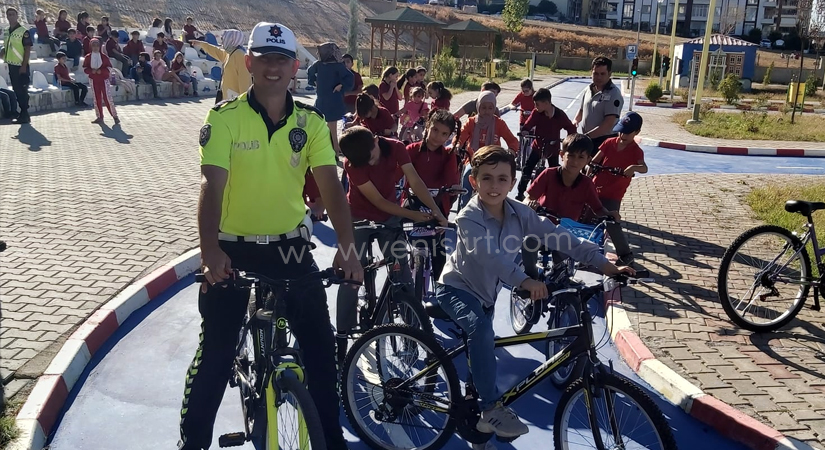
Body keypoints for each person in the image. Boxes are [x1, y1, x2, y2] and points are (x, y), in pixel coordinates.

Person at [177, 21, 362, 450]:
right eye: (264, 58)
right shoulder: (224, 118)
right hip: (233, 250)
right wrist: (210, 253)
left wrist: (349, 251)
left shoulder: (310, 121)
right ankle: (193, 444)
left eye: (282, 59)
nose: (273, 68)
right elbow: (212, 186)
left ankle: (330, 442)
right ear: (249, 63)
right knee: (216, 355)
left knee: (320, 351)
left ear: (295, 66)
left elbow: (332, 188)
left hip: (291, 248)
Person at [436, 145, 633, 441]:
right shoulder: (468, 217)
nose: (494, 186)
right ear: (474, 181)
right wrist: (525, 281)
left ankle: (477, 425)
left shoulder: (519, 213)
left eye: (502, 179)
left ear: (513, 183)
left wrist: (605, 264)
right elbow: (489, 257)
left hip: (486, 294)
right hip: (456, 288)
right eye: (486, 178)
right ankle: (491, 409)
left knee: (482, 351)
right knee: (479, 331)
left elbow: (558, 236)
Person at [337, 125, 447, 361]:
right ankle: (342, 338)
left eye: (373, 157)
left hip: (390, 216)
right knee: (351, 277)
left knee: (402, 275)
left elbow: (415, 182)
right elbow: (377, 201)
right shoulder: (352, 163)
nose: (372, 163)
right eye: (366, 162)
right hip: (358, 217)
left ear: (376, 141)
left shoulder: (396, 147)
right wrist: (415, 216)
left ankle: (413, 333)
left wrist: (436, 211)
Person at [405, 109, 462, 279]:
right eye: (435, 130)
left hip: (437, 204)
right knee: (400, 232)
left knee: (438, 248)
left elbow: (451, 178)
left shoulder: (448, 155)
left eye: (444, 134)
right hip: (412, 201)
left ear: (449, 136)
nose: (438, 136)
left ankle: (440, 285)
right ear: (428, 126)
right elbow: (395, 173)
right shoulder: (411, 150)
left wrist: (454, 186)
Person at [589, 111, 648, 266]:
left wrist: (633, 167)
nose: (623, 135)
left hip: (614, 193)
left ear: (637, 132)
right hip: (596, 187)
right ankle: (585, 248)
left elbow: (644, 168)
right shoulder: (609, 143)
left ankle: (625, 254)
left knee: (611, 222)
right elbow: (595, 160)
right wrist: (591, 168)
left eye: (628, 133)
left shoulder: (636, 151)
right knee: (585, 217)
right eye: (621, 130)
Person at [523, 133, 618, 222]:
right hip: (541, 226)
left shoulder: (587, 184)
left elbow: (598, 209)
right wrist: (530, 204)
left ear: (588, 160)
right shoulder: (548, 174)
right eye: (571, 156)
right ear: (562, 155)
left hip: (568, 233)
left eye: (581, 157)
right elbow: (528, 198)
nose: (575, 161)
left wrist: (609, 214)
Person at [456, 91, 519, 207]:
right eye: (483, 107)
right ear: (478, 107)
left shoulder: (499, 123)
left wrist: (512, 151)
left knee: (497, 184)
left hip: (493, 161)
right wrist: (457, 146)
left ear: (494, 108)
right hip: (473, 160)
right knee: (467, 178)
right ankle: (463, 210)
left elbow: (513, 141)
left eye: (490, 108)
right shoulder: (471, 122)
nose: (487, 111)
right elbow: (460, 137)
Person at [515, 87, 576, 201]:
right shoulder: (536, 113)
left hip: (553, 148)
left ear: (547, 103)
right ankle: (520, 193)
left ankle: (556, 194)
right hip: (538, 146)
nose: (535, 107)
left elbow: (571, 128)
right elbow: (528, 124)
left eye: (537, 104)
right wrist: (525, 130)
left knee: (555, 172)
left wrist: (569, 140)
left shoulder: (559, 115)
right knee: (527, 169)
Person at [307, 42, 353, 155]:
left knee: (332, 125)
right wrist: (314, 82)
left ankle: (335, 149)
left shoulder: (338, 65)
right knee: (323, 125)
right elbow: (310, 71)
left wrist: (341, 85)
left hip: (333, 98)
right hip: (322, 98)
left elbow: (349, 77)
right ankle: (331, 148)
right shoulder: (318, 64)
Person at [573, 56, 623, 149]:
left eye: (602, 74)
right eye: (595, 73)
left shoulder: (614, 94)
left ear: (609, 74)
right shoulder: (588, 89)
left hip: (604, 142)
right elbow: (582, 110)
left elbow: (609, 123)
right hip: (588, 140)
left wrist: (587, 137)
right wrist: (575, 121)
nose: (598, 77)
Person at [192, 29, 250, 100]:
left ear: (231, 39)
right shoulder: (230, 53)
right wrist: (201, 44)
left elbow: (245, 81)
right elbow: (216, 51)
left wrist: (244, 102)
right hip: (229, 100)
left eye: (224, 38)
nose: (222, 41)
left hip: (236, 103)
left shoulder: (240, 55)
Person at [4, 7, 32, 124]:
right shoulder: (6, 30)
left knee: (22, 90)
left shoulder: (23, 31)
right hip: (11, 65)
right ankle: (23, 113)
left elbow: (27, 49)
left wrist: (24, 66)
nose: (11, 17)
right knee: (16, 89)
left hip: (21, 66)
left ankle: (25, 114)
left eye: (13, 14)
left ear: (17, 16)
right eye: (9, 15)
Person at [83, 38, 119, 124]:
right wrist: (91, 71)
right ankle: (99, 116)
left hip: (103, 79)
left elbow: (109, 67)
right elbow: (85, 68)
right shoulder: (88, 57)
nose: (95, 48)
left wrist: (101, 71)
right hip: (94, 80)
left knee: (107, 98)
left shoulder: (104, 57)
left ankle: (114, 116)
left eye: (97, 46)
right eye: (93, 46)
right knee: (97, 98)